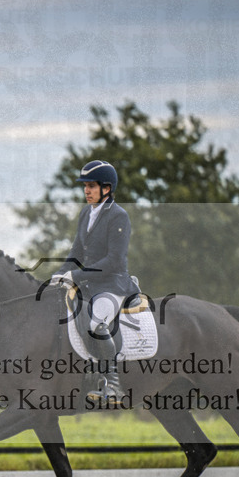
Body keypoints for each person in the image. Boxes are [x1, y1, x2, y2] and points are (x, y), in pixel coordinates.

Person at [49, 160, 140, 402]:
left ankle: (113, 384)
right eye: (85, 186)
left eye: (91, 186)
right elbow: (76, 253)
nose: (86, 190)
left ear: (107, 188)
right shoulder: (86, 214)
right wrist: (59, 274)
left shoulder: (119, 216)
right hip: (89, 285)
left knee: (96, 324)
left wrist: (76, 275)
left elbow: (113, 260)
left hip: (114, 284)